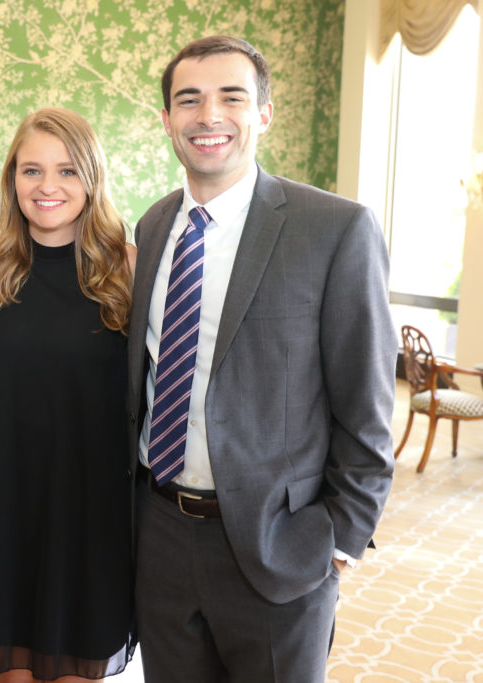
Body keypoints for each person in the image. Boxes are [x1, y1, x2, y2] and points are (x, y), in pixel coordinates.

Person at [127, 35, 395, 682]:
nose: (208, 115)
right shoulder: (153, 226)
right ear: (167, 121)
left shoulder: (334, 229)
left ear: (264, 113)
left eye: (231, 97)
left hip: (281, 550)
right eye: (188, 100)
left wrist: (338, 541)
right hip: (159, 538)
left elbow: (368, 410)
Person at [0, 107, 136, 682]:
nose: (48, 186)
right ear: (12, 178)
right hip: (6, 500)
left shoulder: (127, 270)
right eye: (31, 170)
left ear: (92, 178)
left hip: (91, 509)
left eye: (66, 171)